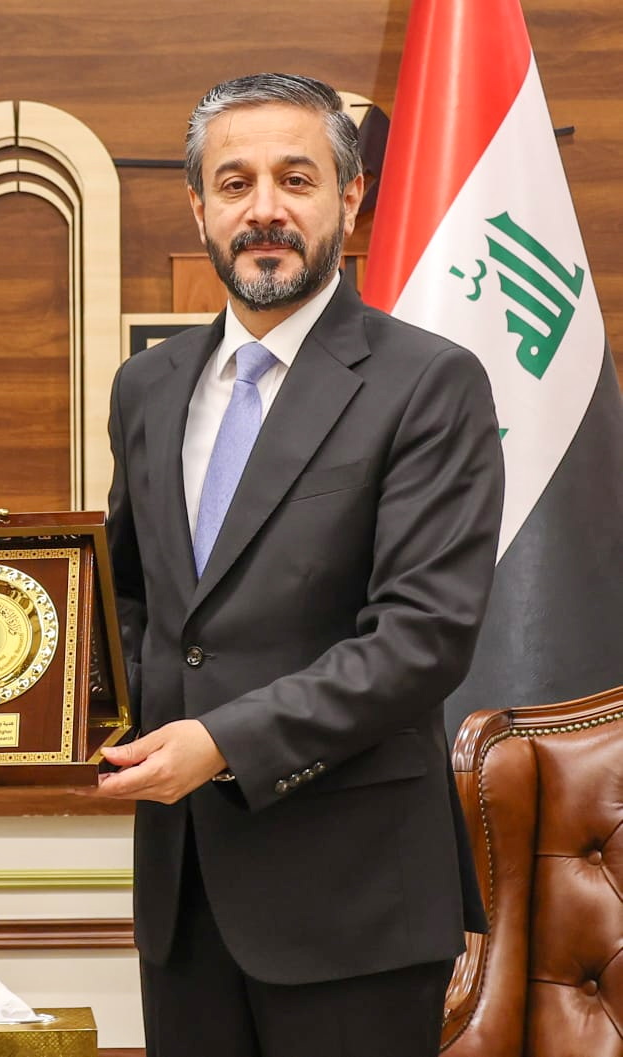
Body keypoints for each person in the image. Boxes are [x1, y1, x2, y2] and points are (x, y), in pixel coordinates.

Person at [94, 73, 503, 1057]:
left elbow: (421, 637)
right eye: (234, 183)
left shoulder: (429, 383)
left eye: (297, 178)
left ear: (349, 199)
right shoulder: (147, 386)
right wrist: (47, 710)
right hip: (184, 894)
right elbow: (132, 600)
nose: (264, 209)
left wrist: (220, 741)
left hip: (354, 899)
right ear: (199, 207)